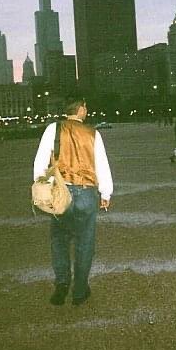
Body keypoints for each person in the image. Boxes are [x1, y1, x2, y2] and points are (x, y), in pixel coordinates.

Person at [33, 99, 113, 306]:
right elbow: (101, 164)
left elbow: (41, 161)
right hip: (86, 193)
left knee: (59, 239)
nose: (87, 110)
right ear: (79, 109)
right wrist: (106, 193)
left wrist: (43, 186)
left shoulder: (53, 128)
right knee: (84, 243)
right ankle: (79, 291)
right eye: (85, 107)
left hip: (62, 193)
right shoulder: (93, 133)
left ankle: (61, 284)